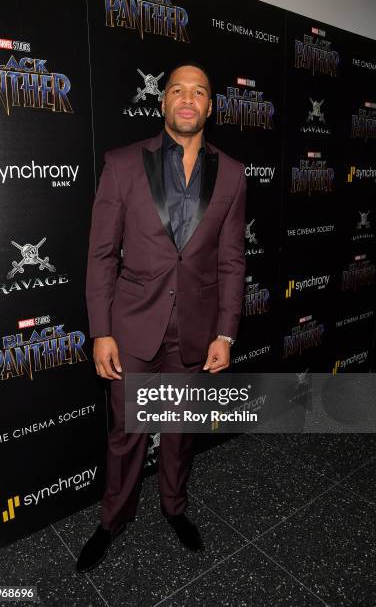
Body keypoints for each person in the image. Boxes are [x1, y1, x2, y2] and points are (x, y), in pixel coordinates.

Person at [77, 61, 247, 573]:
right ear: (163, 102)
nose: (189, 99)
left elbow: (232, 258)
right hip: (132, 327)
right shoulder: (123, 163)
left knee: (178, 431)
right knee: (127, 432)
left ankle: (174, 508)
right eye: (178, 90)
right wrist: (101, 331)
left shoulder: (234, 174)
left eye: (199, 92)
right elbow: (102, 255)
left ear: (211, 107)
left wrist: (225, 331)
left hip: (195, 330)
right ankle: (113, 519)